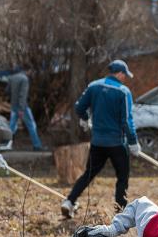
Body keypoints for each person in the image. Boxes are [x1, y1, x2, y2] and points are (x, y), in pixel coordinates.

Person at [60, 60, 141, 218]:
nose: (125, 78)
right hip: (117, 143)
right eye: (125, 75)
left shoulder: (94, 86)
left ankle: (69, 201)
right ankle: (121, 214)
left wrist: (85, 118)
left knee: (88, 174)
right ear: (119, 73)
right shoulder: (123, 92)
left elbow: (79, 107)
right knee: (122, 178)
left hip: (97, 142)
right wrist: (133, 142)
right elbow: (126, 120)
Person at [0, 64, 44, 152]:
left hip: (13, 106)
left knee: (11, 127)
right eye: (30, 71)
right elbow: (22, 95)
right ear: (27, 70)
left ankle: (6, 145)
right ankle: (37, 145)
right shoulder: (24, 79)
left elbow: (7, 91)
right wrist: (21, 109)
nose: (30, 73)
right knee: (31, 125)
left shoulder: (12, 78)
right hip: (22, 107)